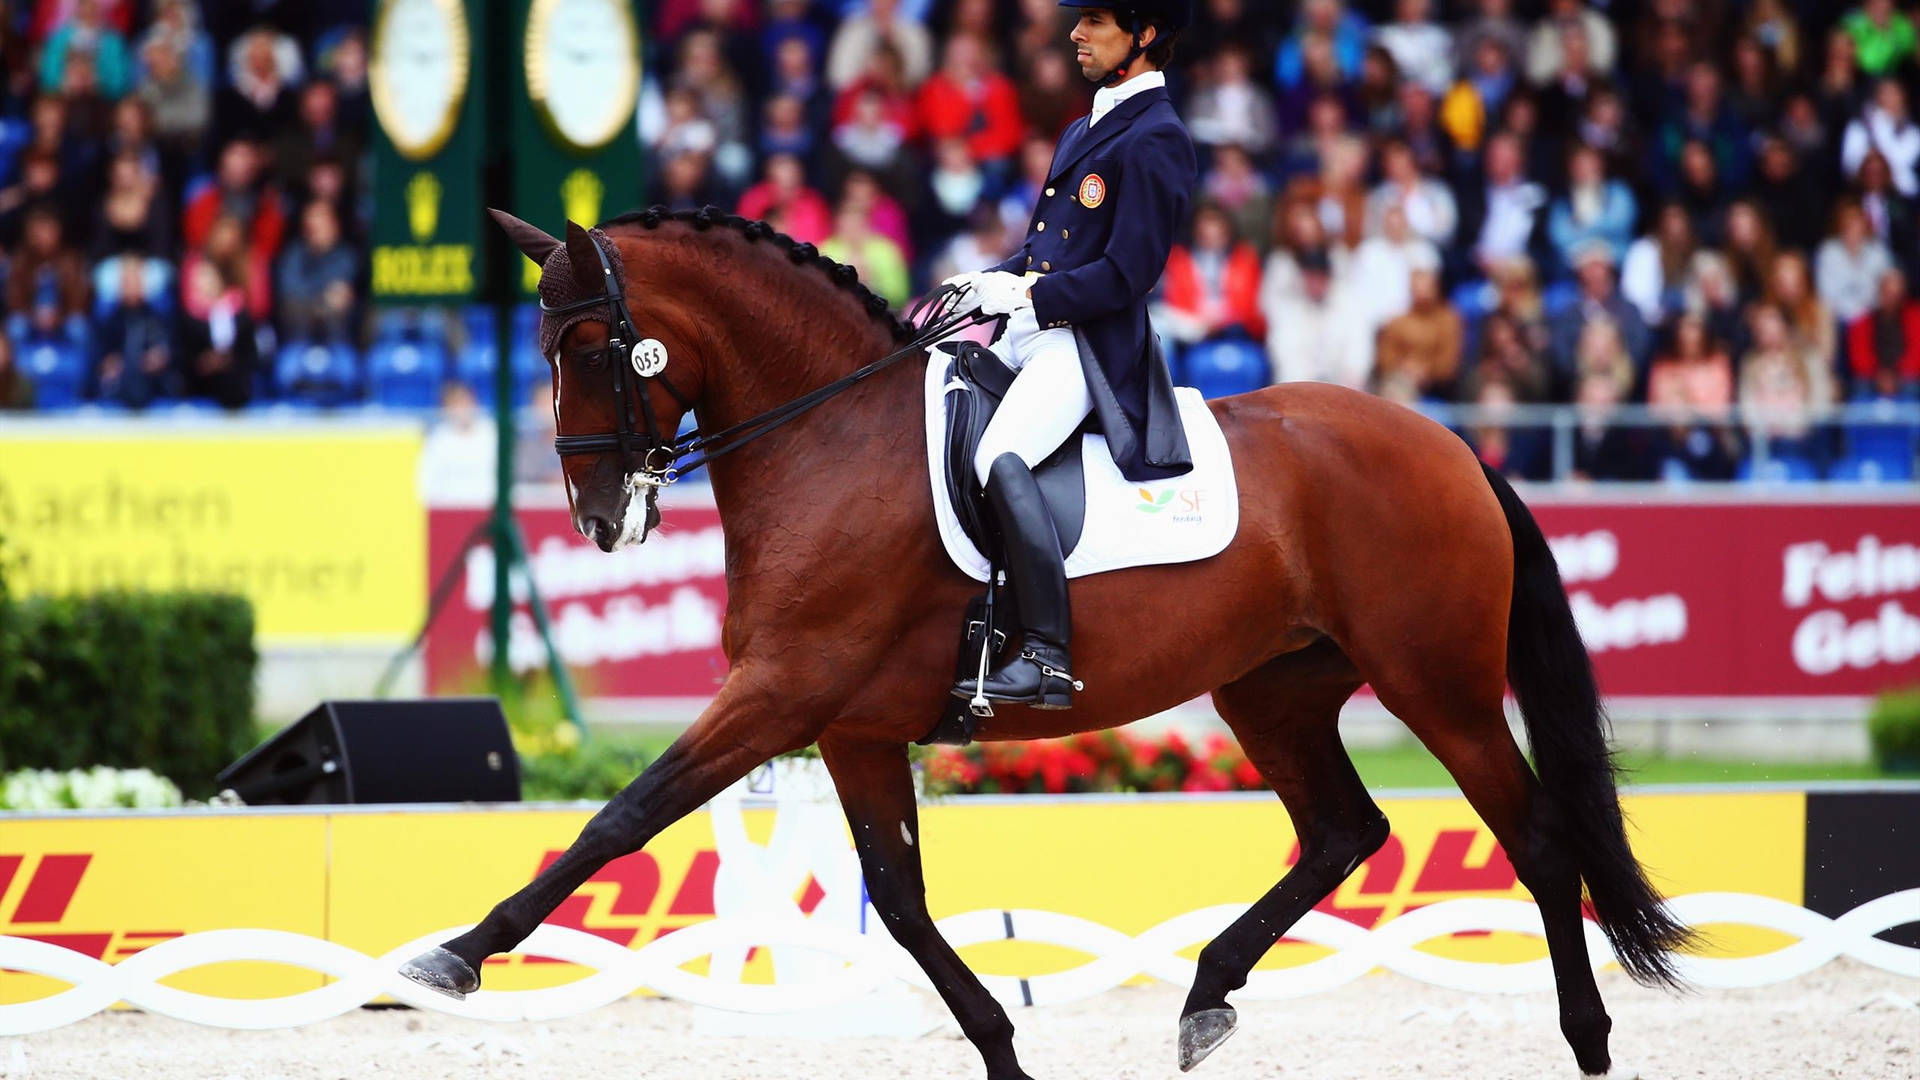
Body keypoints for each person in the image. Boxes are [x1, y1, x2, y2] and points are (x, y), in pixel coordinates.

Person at [943, 0, 1196, 709]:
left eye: (1096, 21)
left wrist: (1026, 299)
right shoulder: (1086, 125)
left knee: (1000, 457)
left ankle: (1048, 655)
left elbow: (1127, 272)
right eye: (1078, 19)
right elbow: (1048, 250)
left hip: (1088, 349)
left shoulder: (1156, 136)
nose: (1076, 34)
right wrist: (991, 278)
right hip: (1036, 333)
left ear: (1143, 36)